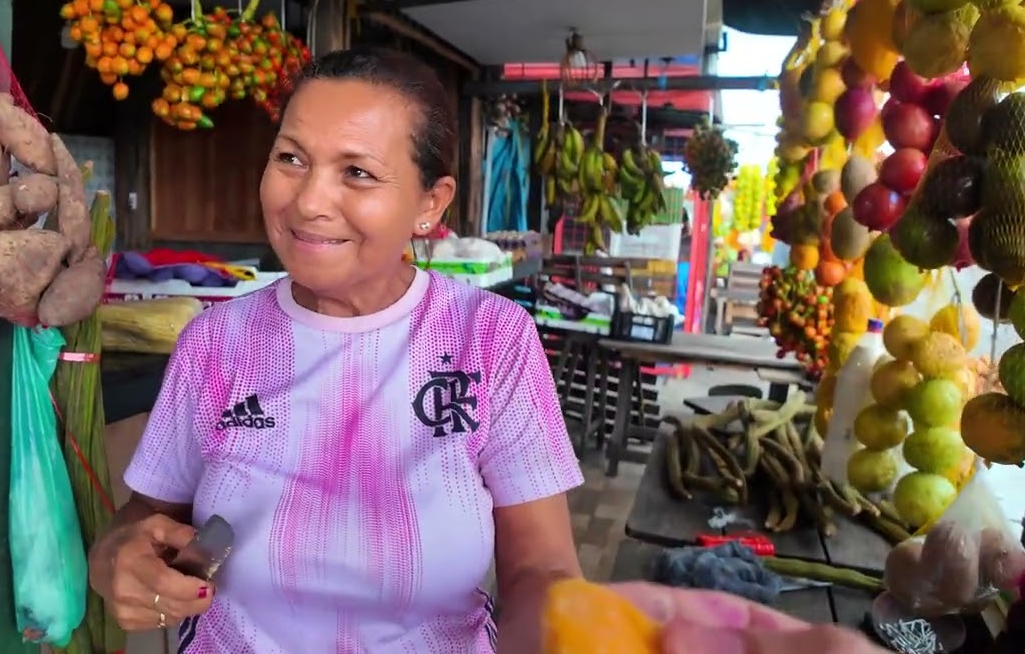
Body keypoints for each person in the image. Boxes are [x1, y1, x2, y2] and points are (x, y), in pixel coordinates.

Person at [87, 48, 889, 654]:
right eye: (290, 157)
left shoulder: (488, 340)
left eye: (356, 172)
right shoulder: (216, 342)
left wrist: (583, 629)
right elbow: (151, 515)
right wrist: (121, 554)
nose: (307, 200)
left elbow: (539, 568)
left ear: (429, 205)